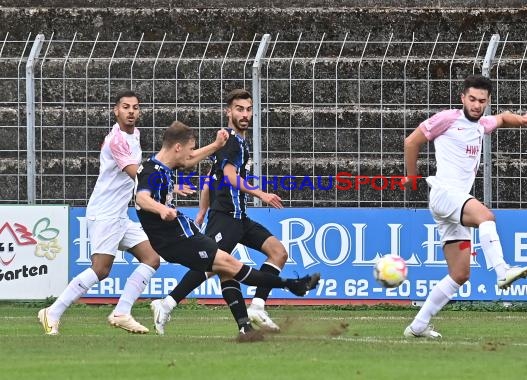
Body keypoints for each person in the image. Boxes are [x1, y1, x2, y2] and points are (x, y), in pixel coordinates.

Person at [135, 120, 320, 340]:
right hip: (182, 236)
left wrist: (215, 145)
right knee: (225, 266)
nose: (192, 154)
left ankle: (259, 311)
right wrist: (161, 209)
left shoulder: (165, 165)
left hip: (189, 229)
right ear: (177, 147)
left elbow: (200, 170)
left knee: (232, 265)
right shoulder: (151, 170)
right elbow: (141, 198)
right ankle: (288, 287)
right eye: (190, 148)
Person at [402, 75, 527, 339]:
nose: (476, 105)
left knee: (460, 274)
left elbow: (502, 118)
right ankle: (502, 270)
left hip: (455, 203)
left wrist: (521, 119)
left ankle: (417, 325)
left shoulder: (482, 124)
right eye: (471, 99)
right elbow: (411, 142)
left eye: (481, 101)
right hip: (444, 194)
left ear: (487, 102)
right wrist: (412, 177)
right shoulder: (447, 119)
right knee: (486, 216)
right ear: (463, 98)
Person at [149, 89, 288, 335]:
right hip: (225, 216)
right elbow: (230, 177)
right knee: (214, 265)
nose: (245, 114)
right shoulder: (232, 142)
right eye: (239, 109)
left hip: (239, 217)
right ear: (228, 111)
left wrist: (202, 210)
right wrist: (262, 194)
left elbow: (209, 179)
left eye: (248, 109)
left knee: (277, 252)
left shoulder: (232, 141)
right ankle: (167, 303)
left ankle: (255, 309)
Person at [38, 90, 165, 335]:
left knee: (152, 259)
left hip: (119, 215)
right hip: (104, 212)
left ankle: (122, 312)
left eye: (135, 107)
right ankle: (51, 312)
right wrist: (167, 182)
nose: (131, 111)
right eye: (125, 107)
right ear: (116, 111)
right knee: (101, 269)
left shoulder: (135, 134)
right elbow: (135, 173)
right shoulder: (116, 140)